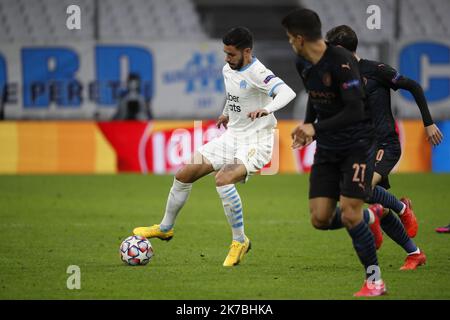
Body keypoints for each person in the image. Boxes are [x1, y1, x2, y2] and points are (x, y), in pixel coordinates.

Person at [133, 27, 296, 267]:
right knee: (183, 174)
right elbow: (234, 97)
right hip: (232, 136)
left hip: (257, 140)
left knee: (223, 179)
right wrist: (226, 113)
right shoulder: (228, 68)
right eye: (225, 53)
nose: (227, 58)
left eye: (231, 54)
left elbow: (287, 92)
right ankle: (165, 228)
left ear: (247, 52)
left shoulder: (259, 72)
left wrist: (267, 109)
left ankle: (239, 241)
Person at [282, 8, 385, 297]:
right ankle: (370, 216)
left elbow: (355, 110)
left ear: (300, 38)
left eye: (290, 38)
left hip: (356, 145)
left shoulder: (342, 62)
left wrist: (317, 128)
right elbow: (315, 98)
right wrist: (306, 126)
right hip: (327, 149)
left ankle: (375, 281)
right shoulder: (302, 62)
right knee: (320, 218)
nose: (290, 42)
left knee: (350, 215)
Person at [326, 25, 444, 269]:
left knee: (363, 189)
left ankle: (400, 208)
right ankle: (414, 253)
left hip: (385, 143)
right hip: (360, 147)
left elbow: (414, 86)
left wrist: (428, 123)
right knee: (357, 196)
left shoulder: (376, 70)